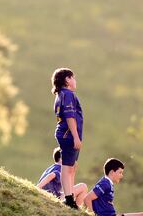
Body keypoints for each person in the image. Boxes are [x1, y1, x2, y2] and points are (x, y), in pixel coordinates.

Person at [51, 67, 83, 208]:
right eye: (73, 77)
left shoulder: (61, 94)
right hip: (68, 134)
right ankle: (68, 199)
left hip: (65, 133)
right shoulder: (68, 94)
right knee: (67, 166)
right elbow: (70, 117)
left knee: (71, 166)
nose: (75, 81)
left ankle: (70, 197)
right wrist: (76, 137)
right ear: (67, 80)